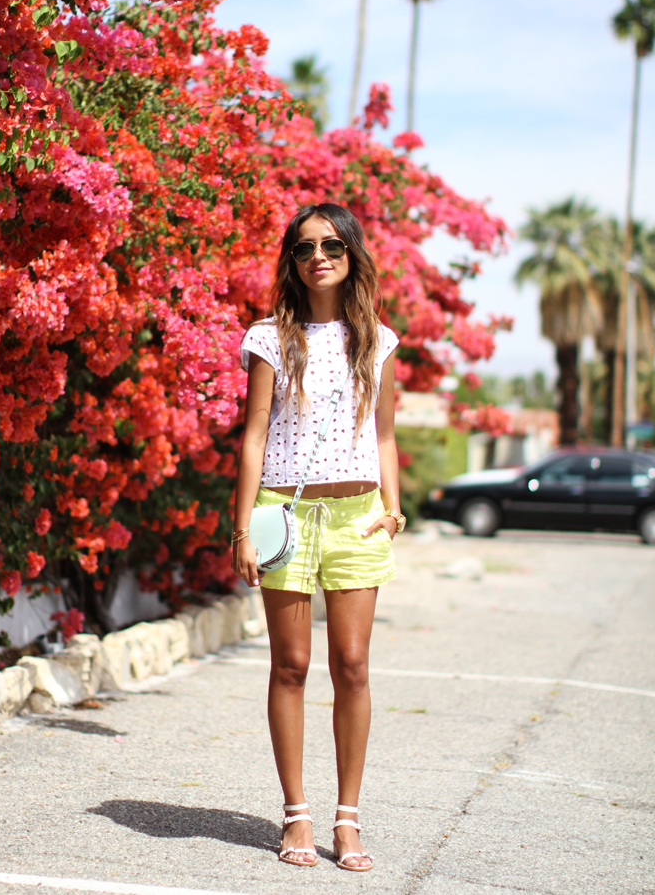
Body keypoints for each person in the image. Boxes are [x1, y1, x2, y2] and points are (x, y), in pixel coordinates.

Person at [232, 202, 405, 872]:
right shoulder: (270, 338)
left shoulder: (378, 341)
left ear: (351, 254)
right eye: (304, 248)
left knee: (353, 665)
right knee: (291, 665)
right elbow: (253, 437)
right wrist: (243, 528)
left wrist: (393, 509)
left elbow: (384, 436)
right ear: (292, 262)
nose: (318, 257)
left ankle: (348, 819)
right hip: (285, 513)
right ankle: (297, 814)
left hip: (358, 515)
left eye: (331, 245)